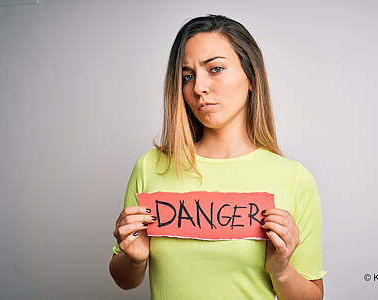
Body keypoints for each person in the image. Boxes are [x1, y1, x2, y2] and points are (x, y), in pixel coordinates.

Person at [109, 14, 326, 300]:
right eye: (188, 76)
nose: (198, 87)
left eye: (216, 69)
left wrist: (281, 270)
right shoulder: (150, 167)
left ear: (251, 76)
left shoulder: (294, 178)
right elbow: (124, 280)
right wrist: (134, 259)